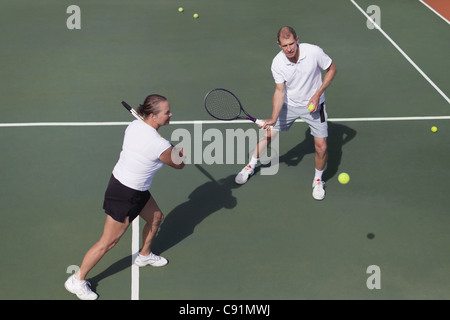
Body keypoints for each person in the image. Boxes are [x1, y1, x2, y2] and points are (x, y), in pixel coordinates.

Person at [65, 94, 185, 300]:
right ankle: (77, 280)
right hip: (124, 193)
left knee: (156, 218)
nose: (170, 114)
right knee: (108, 242)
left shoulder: (134, 126)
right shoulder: (159, 145)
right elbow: (179, 164)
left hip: (135, 188)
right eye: (167, 112)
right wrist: (181, 153)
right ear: (153, 116)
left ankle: (144, 255)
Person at [235, 26, 337, 200]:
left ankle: (318, 180)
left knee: (322, 147)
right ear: (278, 45)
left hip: (314, 106)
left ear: (298, 40)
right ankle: (250, 166)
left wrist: (317, 94)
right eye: (284, 45)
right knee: (268, 135)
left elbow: (332, 69)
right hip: (289, 105)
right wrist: (274, 117)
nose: (289, 49)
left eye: (291, 44)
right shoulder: (278, 63)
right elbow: (280, 91)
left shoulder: (314, 52)